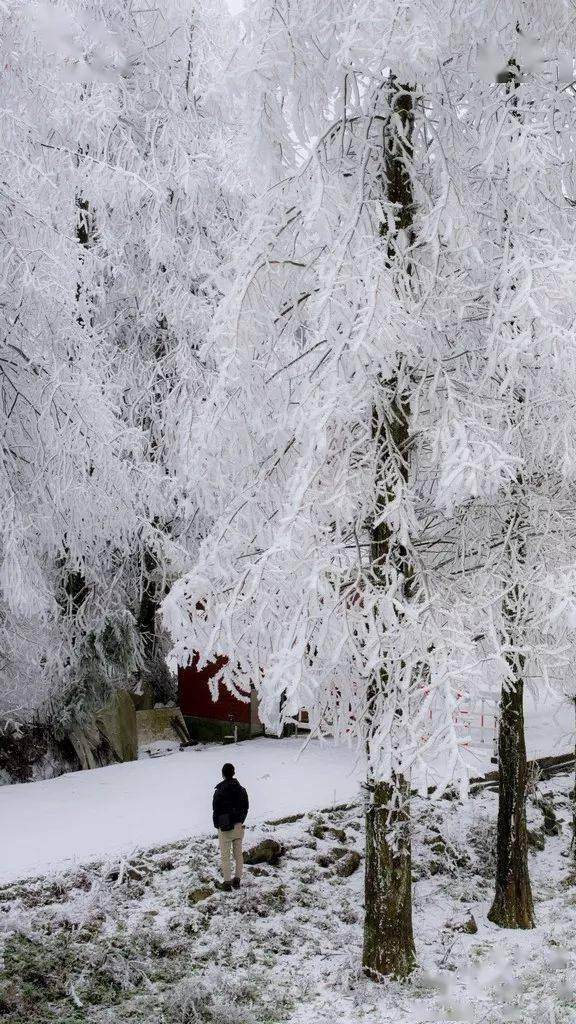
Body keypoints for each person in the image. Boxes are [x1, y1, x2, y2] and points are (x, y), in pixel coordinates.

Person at [212, 763, 249, 891]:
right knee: (238, 855)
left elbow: (215, 810)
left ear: (223, 774)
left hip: (225, 827)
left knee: (225, 857)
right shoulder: (242, 790)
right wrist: (240, 820)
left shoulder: (219, 791)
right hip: (238, 826)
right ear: (233, 773)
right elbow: (246, 807)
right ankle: (237, 880)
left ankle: (227, 883)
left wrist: (217, 825)